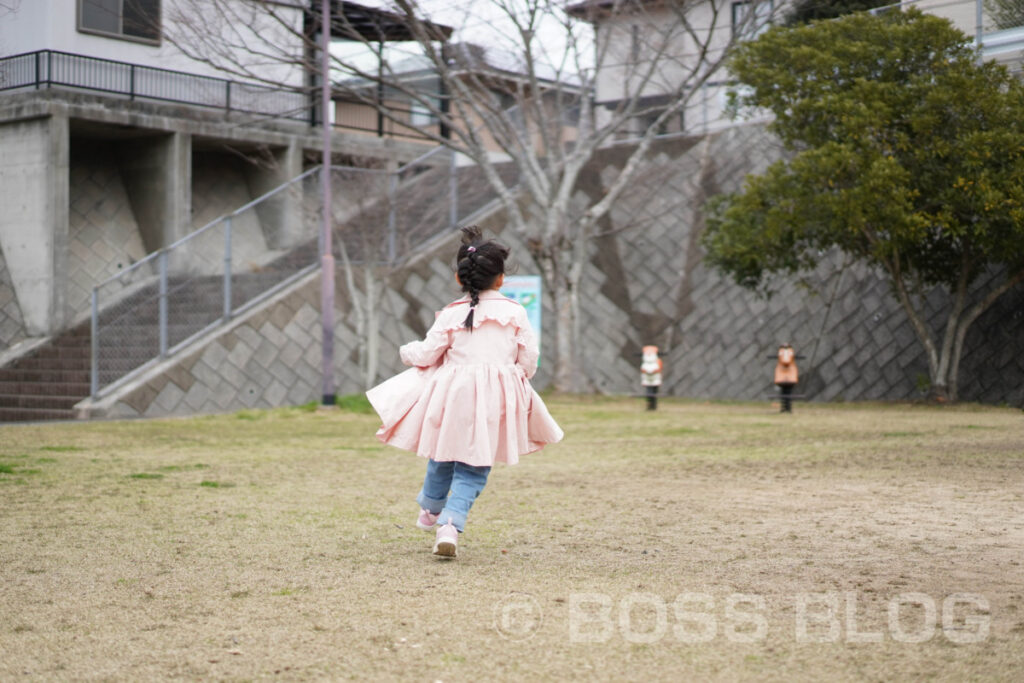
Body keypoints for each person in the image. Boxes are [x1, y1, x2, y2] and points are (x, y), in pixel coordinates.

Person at [366, 226, 563, 558]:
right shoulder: (514, 312)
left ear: (460, 278)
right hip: (497, 397)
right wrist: (518, 377)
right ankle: (450, 524)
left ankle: (430, 508)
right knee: (475, 463)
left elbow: (428, 354)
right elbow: (529, 356)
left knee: (443, 450)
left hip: (453, 394)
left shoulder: (451, 314)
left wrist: (406, 351)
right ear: (500, 279)